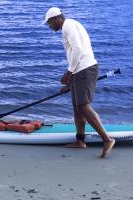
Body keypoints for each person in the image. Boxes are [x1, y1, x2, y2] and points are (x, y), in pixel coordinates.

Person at [43, 7, 115, 158]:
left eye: (49, 23)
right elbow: (74, 54)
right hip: (80, 71)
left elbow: (77, 49)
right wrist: (70, 84)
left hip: (85, 69)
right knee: (77, 107)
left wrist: (68, 72)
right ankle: (80, 141)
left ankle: (107, 140)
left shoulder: (68, 25)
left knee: (83, 106)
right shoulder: (68, 26)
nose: (50, 27)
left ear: (57, 19)